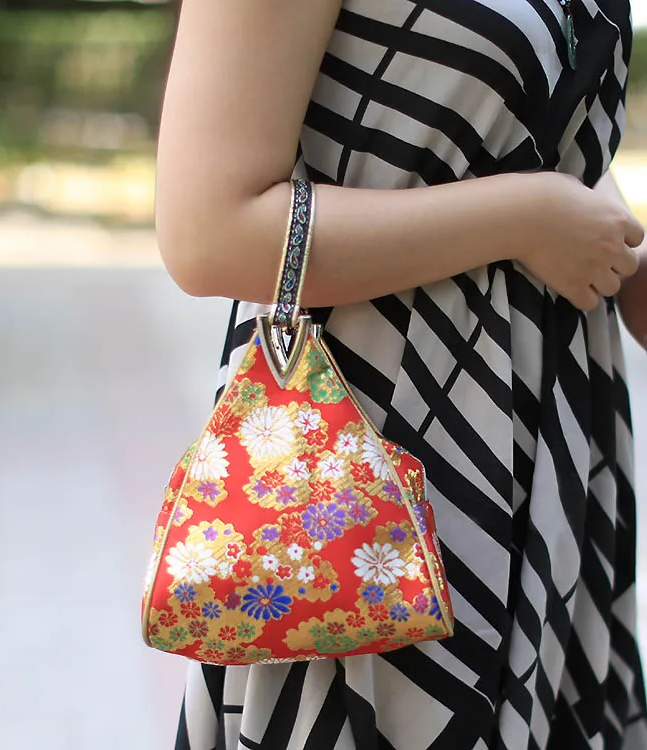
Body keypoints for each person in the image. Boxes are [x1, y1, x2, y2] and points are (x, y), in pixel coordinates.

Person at [154, 1, 647, 748]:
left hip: (550, 448)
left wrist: (593, 229)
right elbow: (207, 233)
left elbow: (536, 148)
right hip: (364, 458)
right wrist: (524, 218)